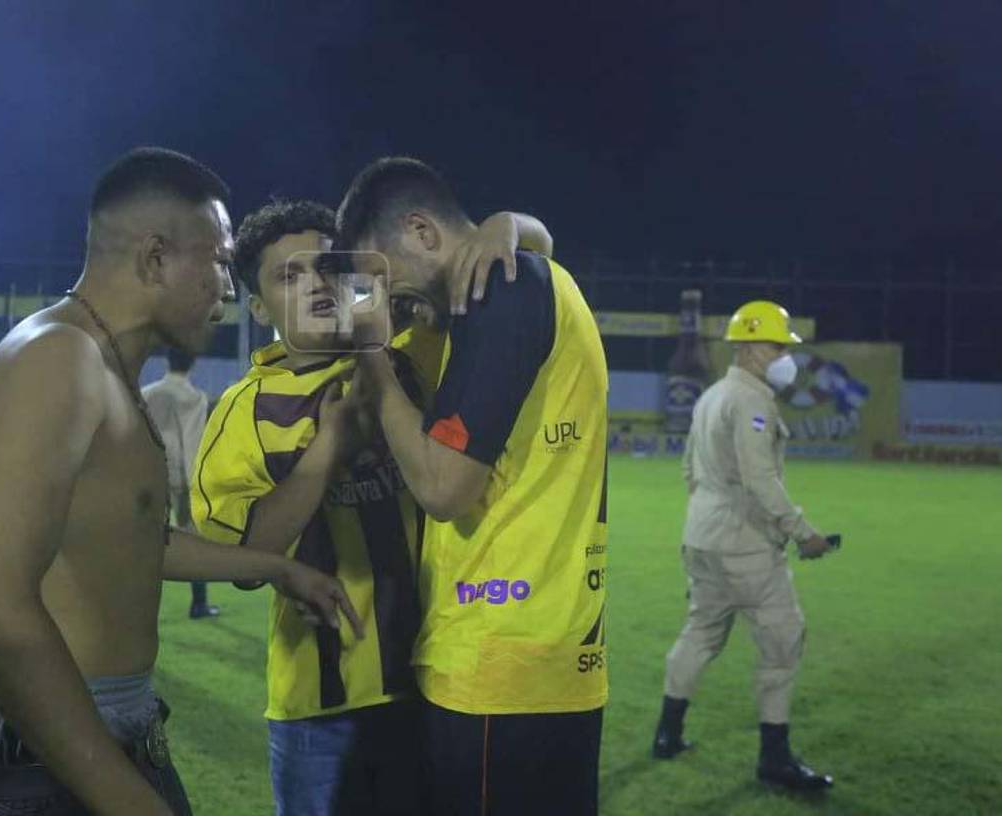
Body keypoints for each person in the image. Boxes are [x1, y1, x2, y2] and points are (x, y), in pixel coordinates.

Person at [0, 148, 362, 816]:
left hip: (114, 732)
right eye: (220, 261)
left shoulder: (104, 367)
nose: (227, 287)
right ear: (156, 257)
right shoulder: (58, 359)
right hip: (43, 754)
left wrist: (276, 570)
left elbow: (130, 537)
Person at [193, 198, 551, 815]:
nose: (316, 285)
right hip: (323, 712)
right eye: (289, 275)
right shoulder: (242, 413)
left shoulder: (409, 358)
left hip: (438, 685)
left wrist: (508, 225)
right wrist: (332, 444)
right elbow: (242, 561)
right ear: (258, 308)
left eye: (328, 267)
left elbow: (528, 265)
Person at [335, 157, 609, 816]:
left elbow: (442, 487)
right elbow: (535, 246)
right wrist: (511, 223)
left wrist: (374, 365)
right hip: (551, 658)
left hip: (496, 669)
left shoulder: (501, 294)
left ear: (423, 231)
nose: (384, 300)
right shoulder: (525, 281)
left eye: (380, 274)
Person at [651, 299, 835, 791]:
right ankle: (774, 760)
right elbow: (759, 479)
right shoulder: (752, 401)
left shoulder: (711, 396)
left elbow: (690, 468)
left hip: (702, 539)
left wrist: (708, 517)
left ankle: (667, 734)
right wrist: (804, 534)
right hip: (746, 548)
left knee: (701, 634)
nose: (783, 355)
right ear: (751, 347)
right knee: (783, 645)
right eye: (777, 345)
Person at [142, 347, 218, 620]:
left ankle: (137, 604)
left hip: (149, 471)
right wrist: (195, 482)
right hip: (181, 475)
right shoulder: (195, 398)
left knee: (145, 538)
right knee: (192, 536)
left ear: (167, 361)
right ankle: (199, 604)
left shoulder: (147, 393)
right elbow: (192, 439)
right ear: (192, 364)